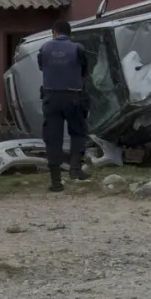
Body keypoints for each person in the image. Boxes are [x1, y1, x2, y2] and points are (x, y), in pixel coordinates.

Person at [37, 21, 91, 192]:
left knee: (53, 138)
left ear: (54, 32)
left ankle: (56, 181)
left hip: (51, 97)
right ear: (70, 33)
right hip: (74, 96)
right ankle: (75, 170)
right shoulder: (78, 48)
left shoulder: (44, 49)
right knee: (78, 132)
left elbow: (41, 66)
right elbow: (85, 71)